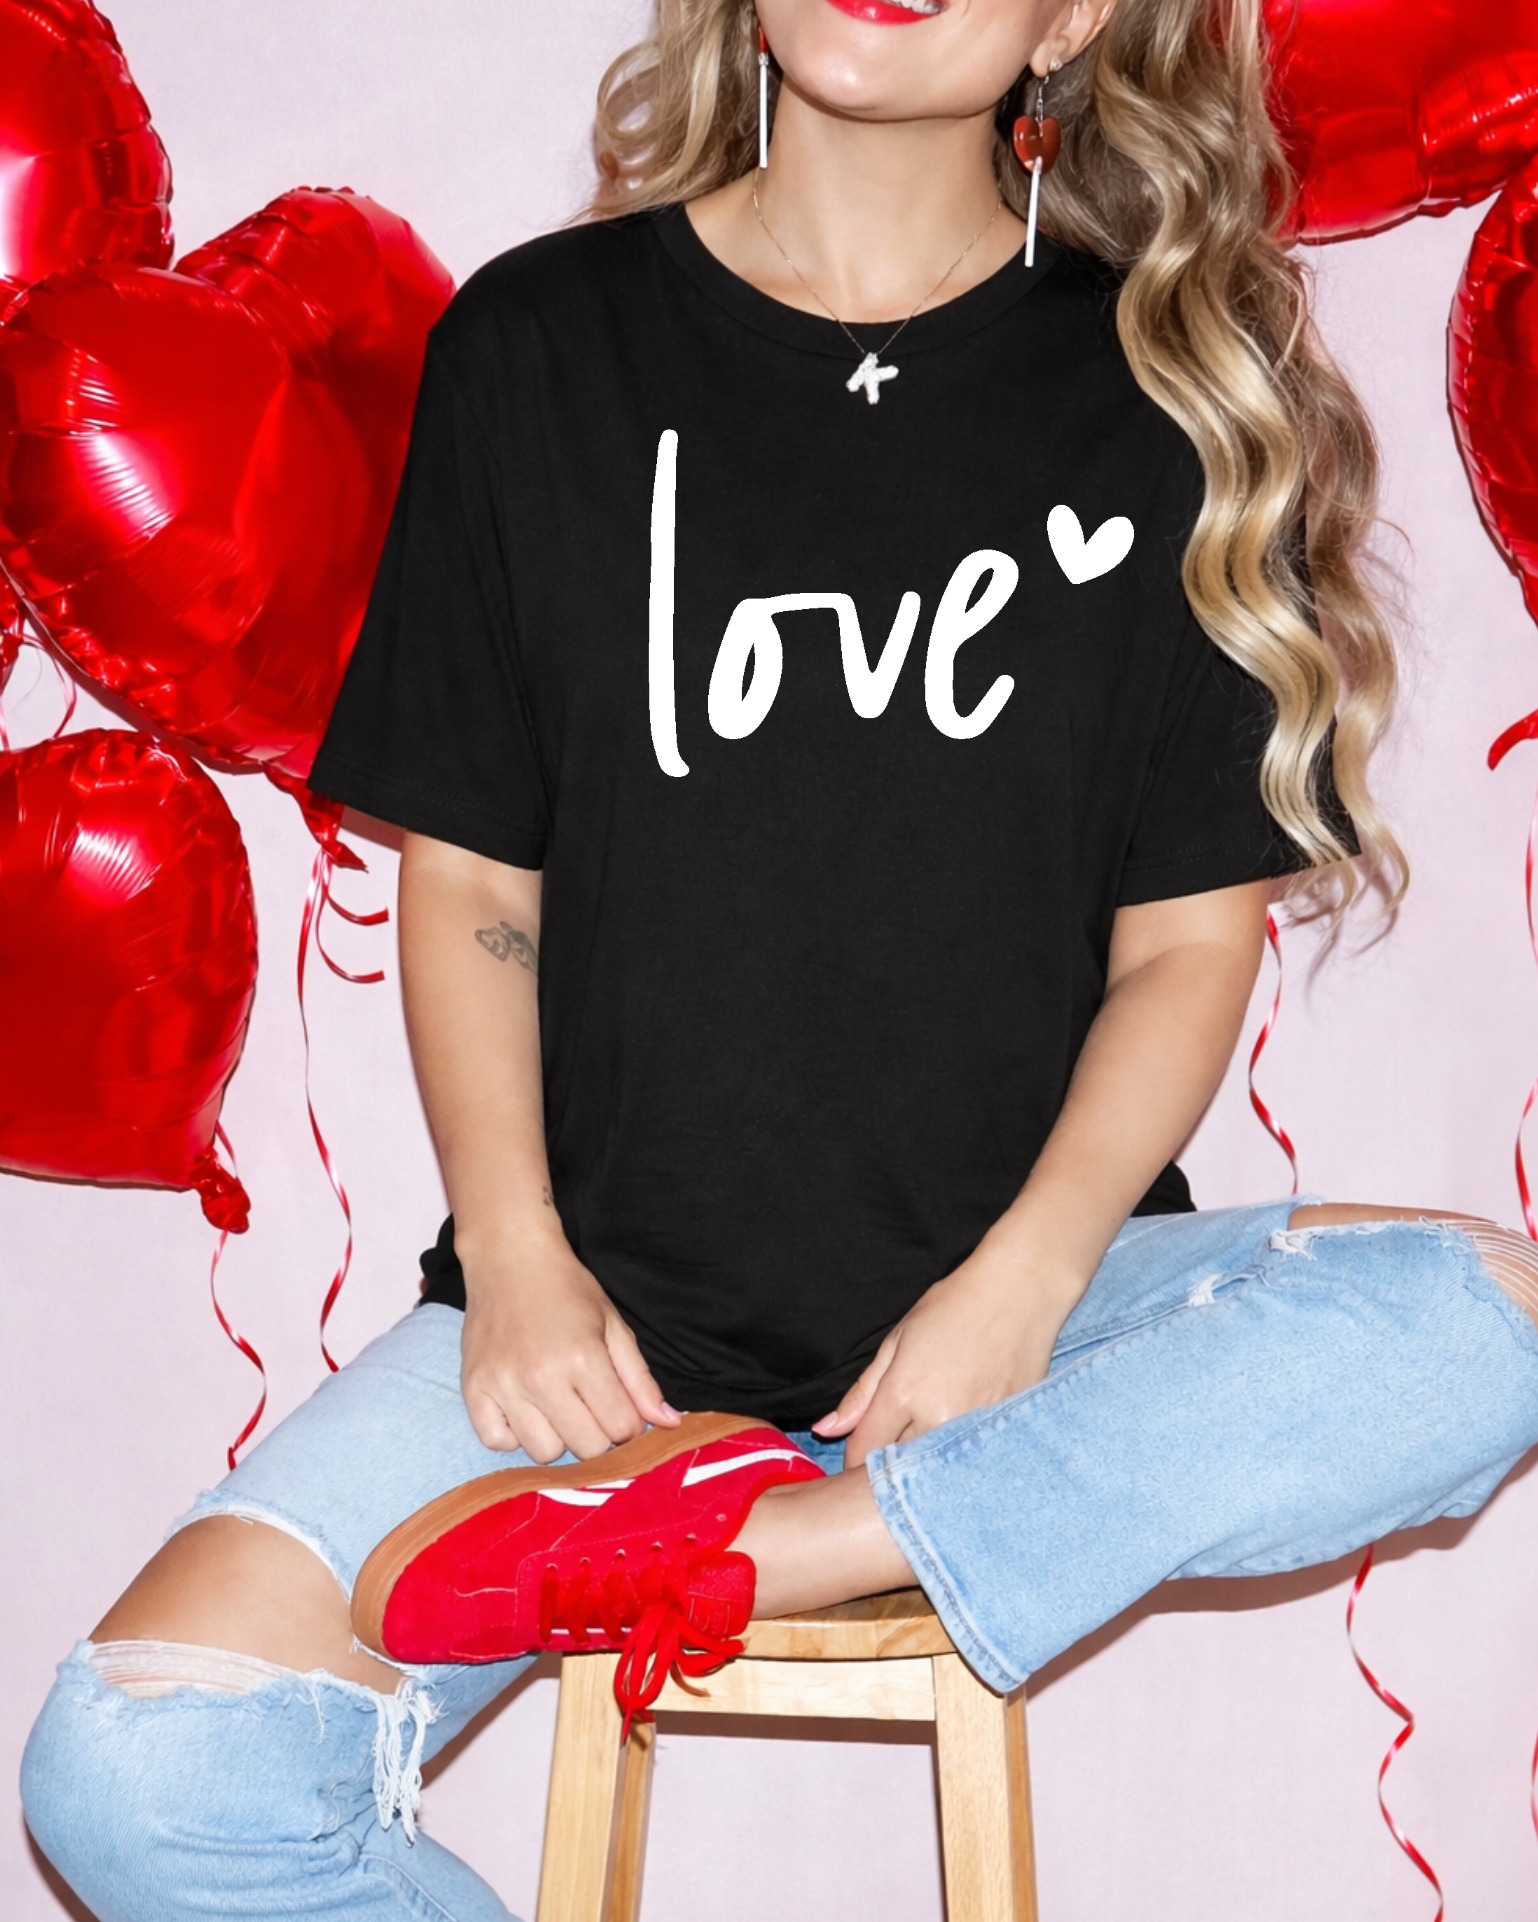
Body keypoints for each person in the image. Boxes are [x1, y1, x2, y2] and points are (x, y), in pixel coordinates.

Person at [21, 0, 1538, 1913]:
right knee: (139, 1769)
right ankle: (698, 1513)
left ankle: (785, 1541)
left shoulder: (1164, 396)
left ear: (1072, 18)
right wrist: (517, 1264)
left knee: (1487, 1324)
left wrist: (1015, 1291)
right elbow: (478, 880)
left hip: (1043, 1325)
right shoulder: (540, 346)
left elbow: (1183, 948)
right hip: (605, 1345)